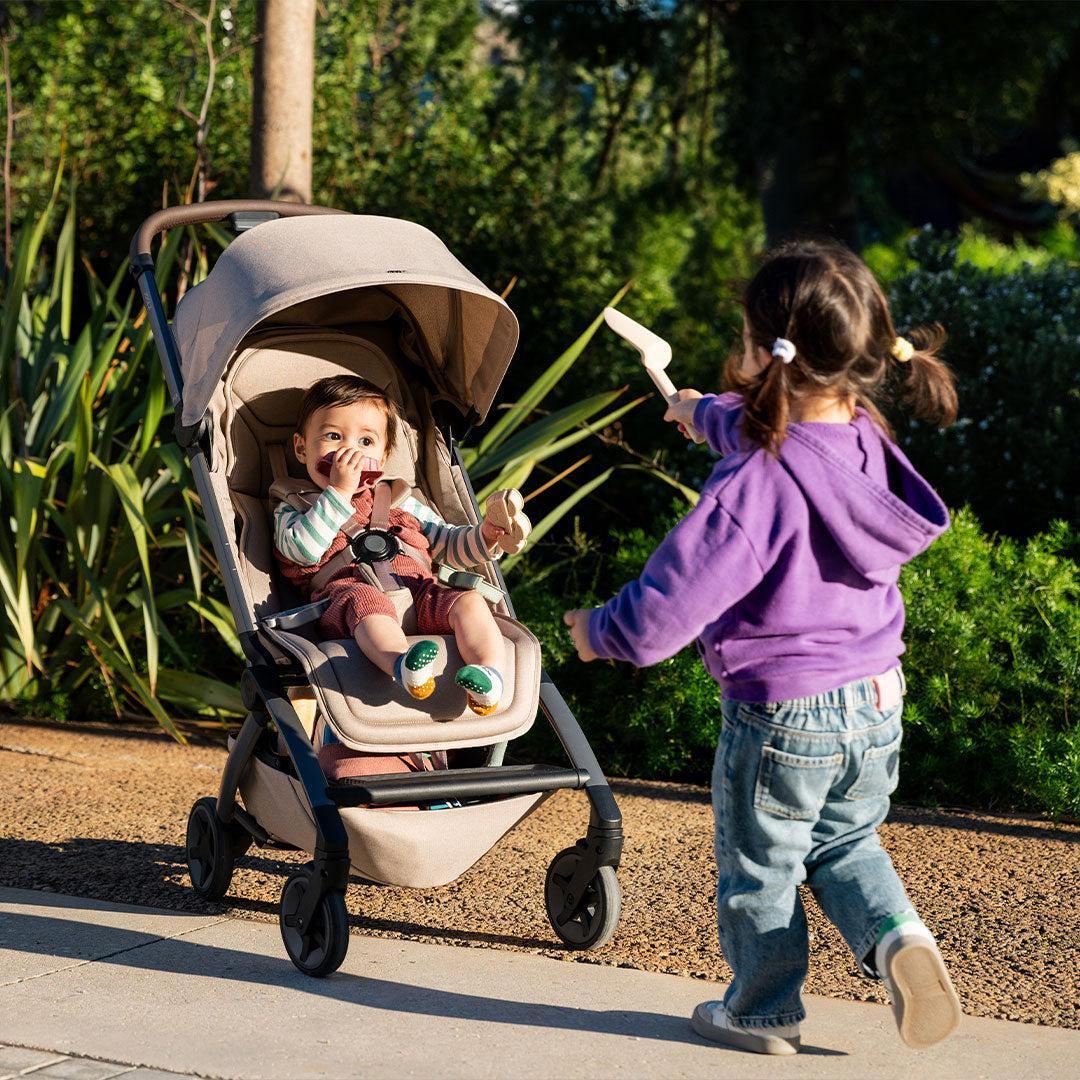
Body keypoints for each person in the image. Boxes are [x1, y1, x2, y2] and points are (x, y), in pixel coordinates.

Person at [563, 239, 963, 1056]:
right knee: (846, 842)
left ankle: (761, 1010)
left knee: (762, 868)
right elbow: (775, 436)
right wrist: (700, 411)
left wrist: (597, 631)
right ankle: (899, 939)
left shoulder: (756, 487)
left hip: (784, 713)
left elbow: (663, 612)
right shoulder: (861, 435)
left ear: (762, 353)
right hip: (877, 694)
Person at [274, 374, 528, 717]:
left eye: (366, 441)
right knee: (366, 601)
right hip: (350, 602)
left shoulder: (397, 500)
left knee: (469, 601)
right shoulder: (295, 506)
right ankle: (404, 665)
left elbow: (446, 543)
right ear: (302, 447)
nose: (348, 451)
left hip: (419, 592)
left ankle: (488, 675)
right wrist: (338, 493)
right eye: (334, 436)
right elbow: (301, 550)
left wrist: (485, 536)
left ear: (384, 454)